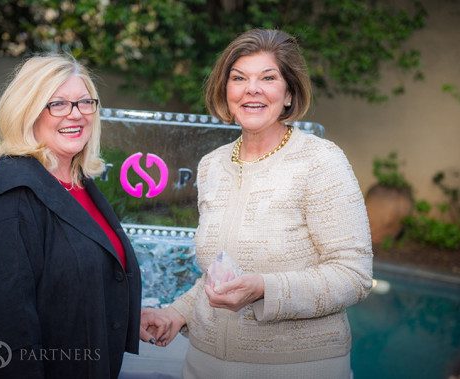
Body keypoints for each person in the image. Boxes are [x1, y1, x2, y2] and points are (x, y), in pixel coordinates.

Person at [143, 28, 373, 378]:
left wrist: (265, 288)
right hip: (203, 365)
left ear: (289, 94)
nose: (252, 89)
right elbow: (217, 275)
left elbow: (353, 275)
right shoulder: (212, 166)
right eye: (239, 78)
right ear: (226, 91)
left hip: (297, 368)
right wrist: (177, 313)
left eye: (268, 77)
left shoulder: (321, 161)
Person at [0, 54, 143, 378]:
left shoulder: (80, 185)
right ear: (28, 111)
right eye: (58, 104)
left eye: (84, 102)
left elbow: (70, 282)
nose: (75, 114)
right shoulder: (8, 198)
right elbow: (6, 328)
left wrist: (128, 311)